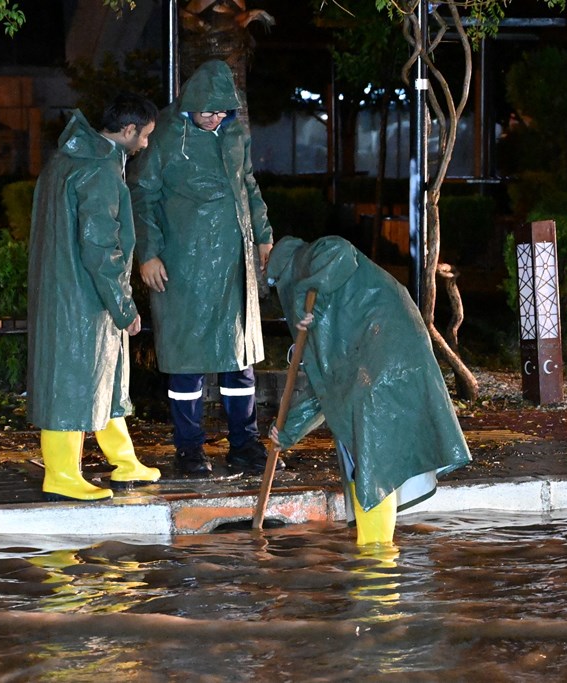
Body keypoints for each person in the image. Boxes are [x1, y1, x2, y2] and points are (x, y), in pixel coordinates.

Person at [266, 236, 472, 545]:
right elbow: (323, 387)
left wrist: (311, 299)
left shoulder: (318, 255)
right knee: (362, 458)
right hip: (376, 366)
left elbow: (340, 253)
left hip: (384, 361)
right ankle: (374, 550)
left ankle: (376, 554)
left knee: (372, 460)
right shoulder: (317, 317)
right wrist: (287, 431)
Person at [129, 59, 276, 477]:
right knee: (186, 362)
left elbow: (248, 184)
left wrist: (263, 234)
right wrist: (149, 253)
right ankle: (189, 449)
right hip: (183, 265)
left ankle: (244, 444)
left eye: (222, 110)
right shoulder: (166, 136)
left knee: (239, 357)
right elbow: (143, 194)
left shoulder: (234, 134)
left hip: (234, 262)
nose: (215, 117)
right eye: (208, 110)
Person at [27, 93, 161, 502]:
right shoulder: (99, 171)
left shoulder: (67, 161)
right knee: (74, 382)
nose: (145, 144)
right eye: (144, 136)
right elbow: (101, 247)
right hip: (83, 298)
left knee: (104, 377)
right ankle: (63, 474)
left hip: (69, 291)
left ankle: (125, 460)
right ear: (127, 130)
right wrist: (123, 305)